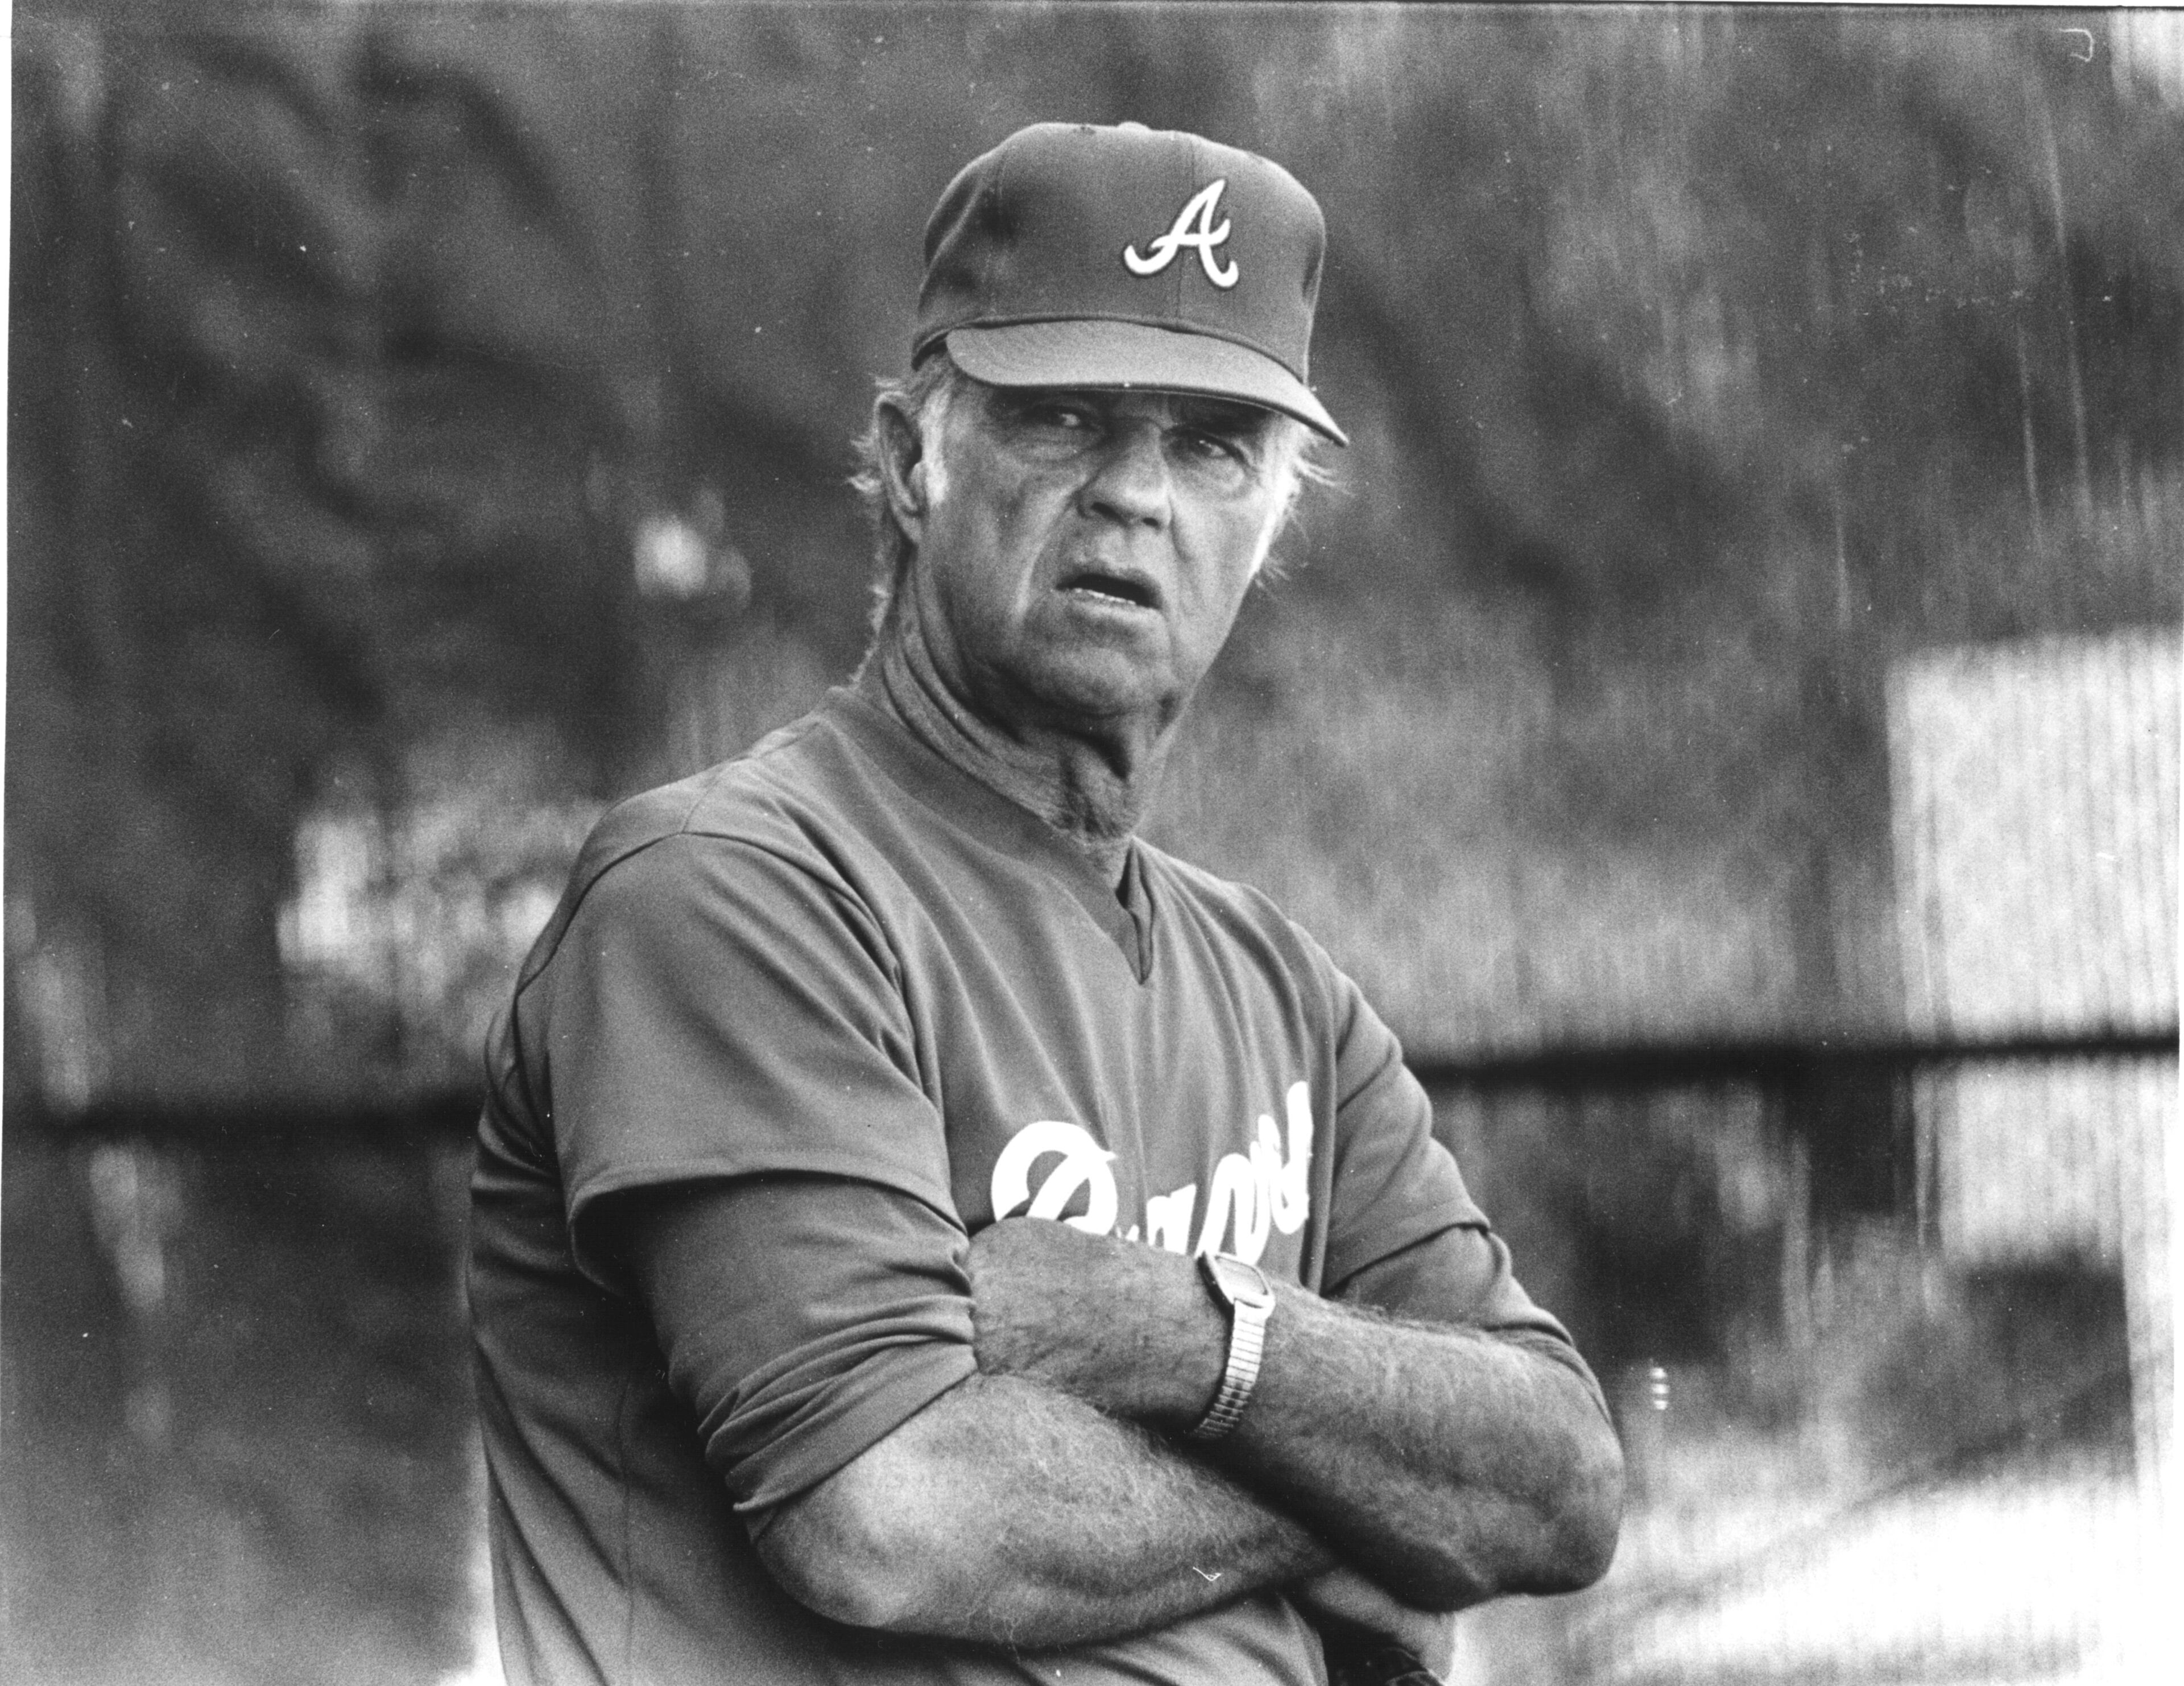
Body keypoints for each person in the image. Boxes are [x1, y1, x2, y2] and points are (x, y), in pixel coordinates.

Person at [469, 120, 1622, 1686]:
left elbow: (1557, 1478)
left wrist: (1184, 1333)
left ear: (1272, 521)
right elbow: (892, 1510)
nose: (1135, 493)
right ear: (912, 452)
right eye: (1067, 413)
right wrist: (1356, 1502)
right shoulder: (734, 888)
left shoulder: (1283, 991)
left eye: (1213, 443)